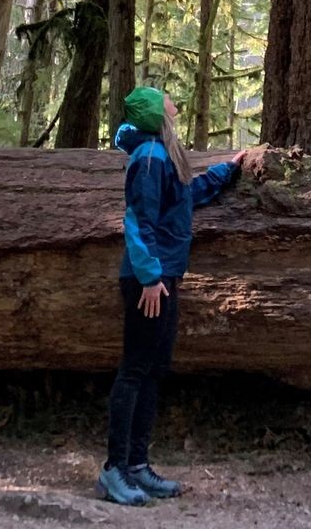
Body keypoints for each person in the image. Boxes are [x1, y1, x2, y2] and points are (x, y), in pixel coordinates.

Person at [97, 85, 244, 507]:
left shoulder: (162, 157)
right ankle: (114, 470)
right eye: (167, 103)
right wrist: (148, 276)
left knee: (155, 369)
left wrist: (225, 171)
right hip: (148, 281)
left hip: (165, 277)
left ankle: (138, 466)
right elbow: (137, 221)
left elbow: (185, 199)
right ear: (154, 115)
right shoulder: (147, 159)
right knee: (134, 370)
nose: (175, 106)